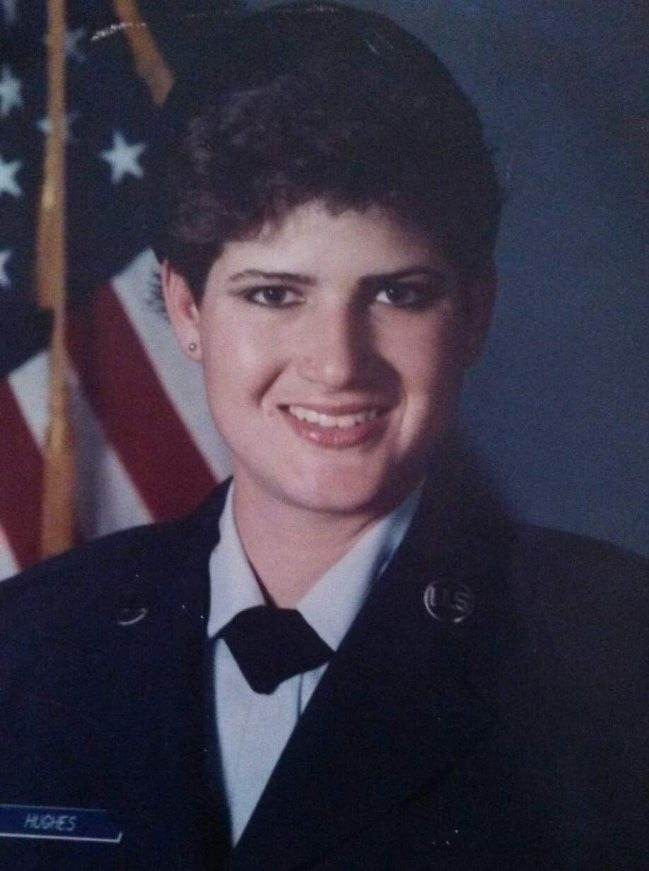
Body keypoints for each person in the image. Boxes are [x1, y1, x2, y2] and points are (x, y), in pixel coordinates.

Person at [1, 2, 647, 869]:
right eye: (274, 294)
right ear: (187, 311)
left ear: (475, 313)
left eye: (397, 293)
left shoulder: (613, 653)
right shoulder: (28, 641)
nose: (337, 365)